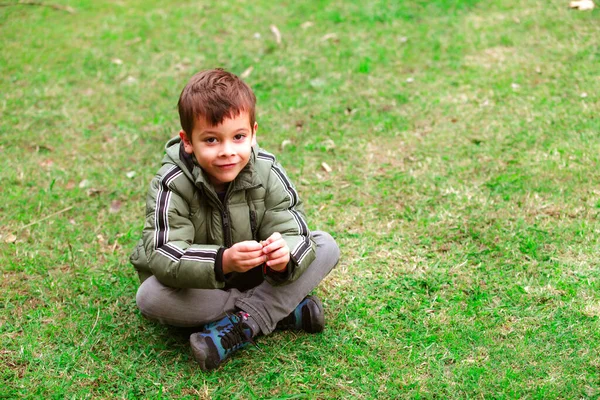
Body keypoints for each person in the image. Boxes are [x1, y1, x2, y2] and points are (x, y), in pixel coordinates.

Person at [129, 68, 340, 371]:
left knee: (325, 245)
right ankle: (281, 311)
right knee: (150, 296)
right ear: (187, 141)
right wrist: (223, 261)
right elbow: (163, 252)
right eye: (212, 140)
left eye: (238, 137)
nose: (227, 152)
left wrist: (284, 258)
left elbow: (292, 226)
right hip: (199, 285)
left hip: (256, 273)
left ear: (253, 133)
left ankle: (245, 322)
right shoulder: (172, 181)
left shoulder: (266, 170)